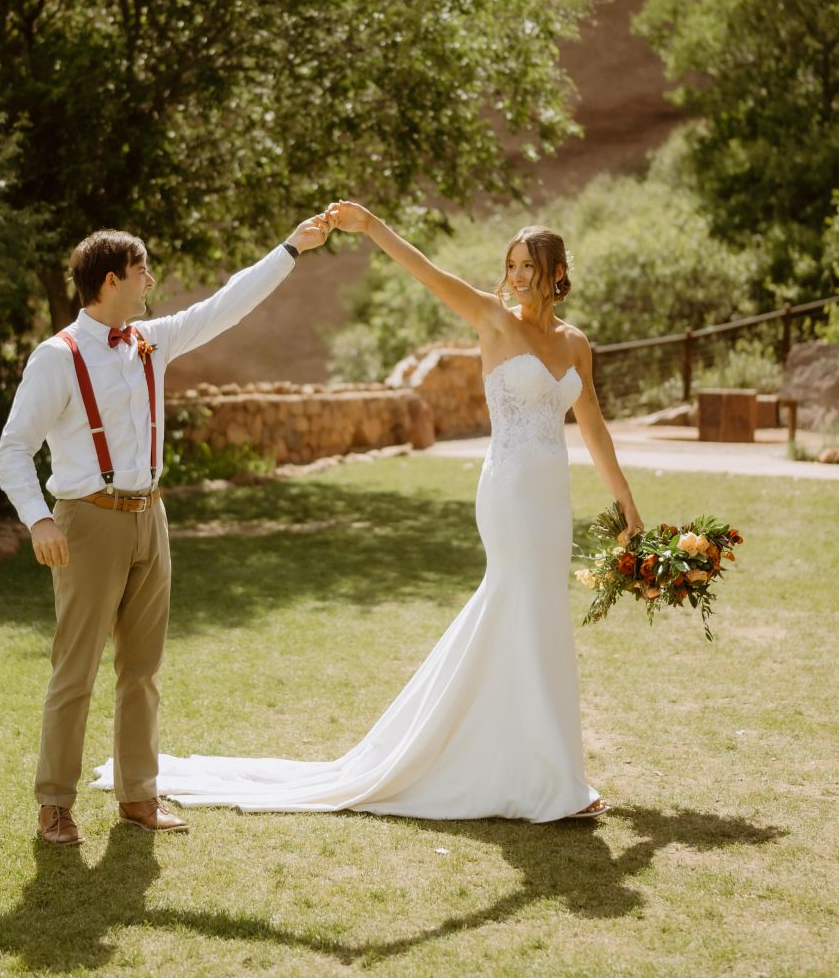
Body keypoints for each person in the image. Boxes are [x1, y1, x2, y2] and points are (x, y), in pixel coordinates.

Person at [91, 202, 645, 822]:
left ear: (559, 272)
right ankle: (547, 777)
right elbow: (428, 271)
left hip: (552, 498)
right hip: (511, 494)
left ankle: (542, 767)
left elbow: (590, 418)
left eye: (531, 267)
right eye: (512, 265)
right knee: (518, 600)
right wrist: (374, 227)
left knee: (538, 614)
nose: (518, 276)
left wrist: (624, 498)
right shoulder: (492, 319)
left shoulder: (575, 343)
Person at [0, 216, 330, 846]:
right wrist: (38, 519)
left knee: (142, 669)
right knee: (75, 670)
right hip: (87, 521)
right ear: (112, 278)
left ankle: (138, 796)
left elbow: (226, 305)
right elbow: (12, 448)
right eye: (143, 270)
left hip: (152, 516)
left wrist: (290, 248)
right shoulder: (56, 357)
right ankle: (55, 805)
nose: (151, 280)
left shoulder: (152, 339)